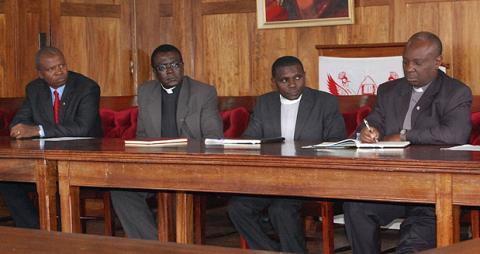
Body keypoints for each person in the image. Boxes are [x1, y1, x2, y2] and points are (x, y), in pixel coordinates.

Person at [343, 31, 472, 254]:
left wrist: (405, 135)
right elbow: (374, 119)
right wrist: (367, 130)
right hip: (391, 182)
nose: (409, 68)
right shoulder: (389, 90)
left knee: (412, 243)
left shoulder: (455, 92)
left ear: (437, 62)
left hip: (432, 189)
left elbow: (455, 134)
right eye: (405, 62)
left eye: (417, 63)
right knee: (356, 207)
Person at [228, 56, 346, 253]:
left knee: (281, 209)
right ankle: (270, 250)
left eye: (298, 77)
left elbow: (336, 142)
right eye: (285, 80)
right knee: (237, 207)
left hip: (310, 178)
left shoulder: (324, 102)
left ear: (304, 76)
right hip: (271, 179)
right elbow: (251, 137)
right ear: (274, 82)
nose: (292, 84)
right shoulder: (265, 102)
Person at [110, 44, 223, 240]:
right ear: (155, 72)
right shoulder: (146, 92)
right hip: (154, 165)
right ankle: (153, 245)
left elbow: (213, 137)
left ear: (183, 65)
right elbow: (142, 134)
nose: (170, 71)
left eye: (175, 64)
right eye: (163, 67)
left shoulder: (203, 92)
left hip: (190, 166)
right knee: (120, 190)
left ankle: (174, 243)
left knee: (174, 188)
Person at [0, 46, 102, 228]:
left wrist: (37, 130)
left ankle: (64, 234)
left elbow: (82, 128)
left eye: (62, 65)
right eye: (51, 69)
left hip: (81, 160)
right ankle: (35, 230)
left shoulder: (87, 87)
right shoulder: (34, 89)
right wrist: (18, 128)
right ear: (40, 73)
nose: (59, 71)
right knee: (7, 179)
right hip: (44, 161)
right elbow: (21, 119)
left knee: (58, 185)